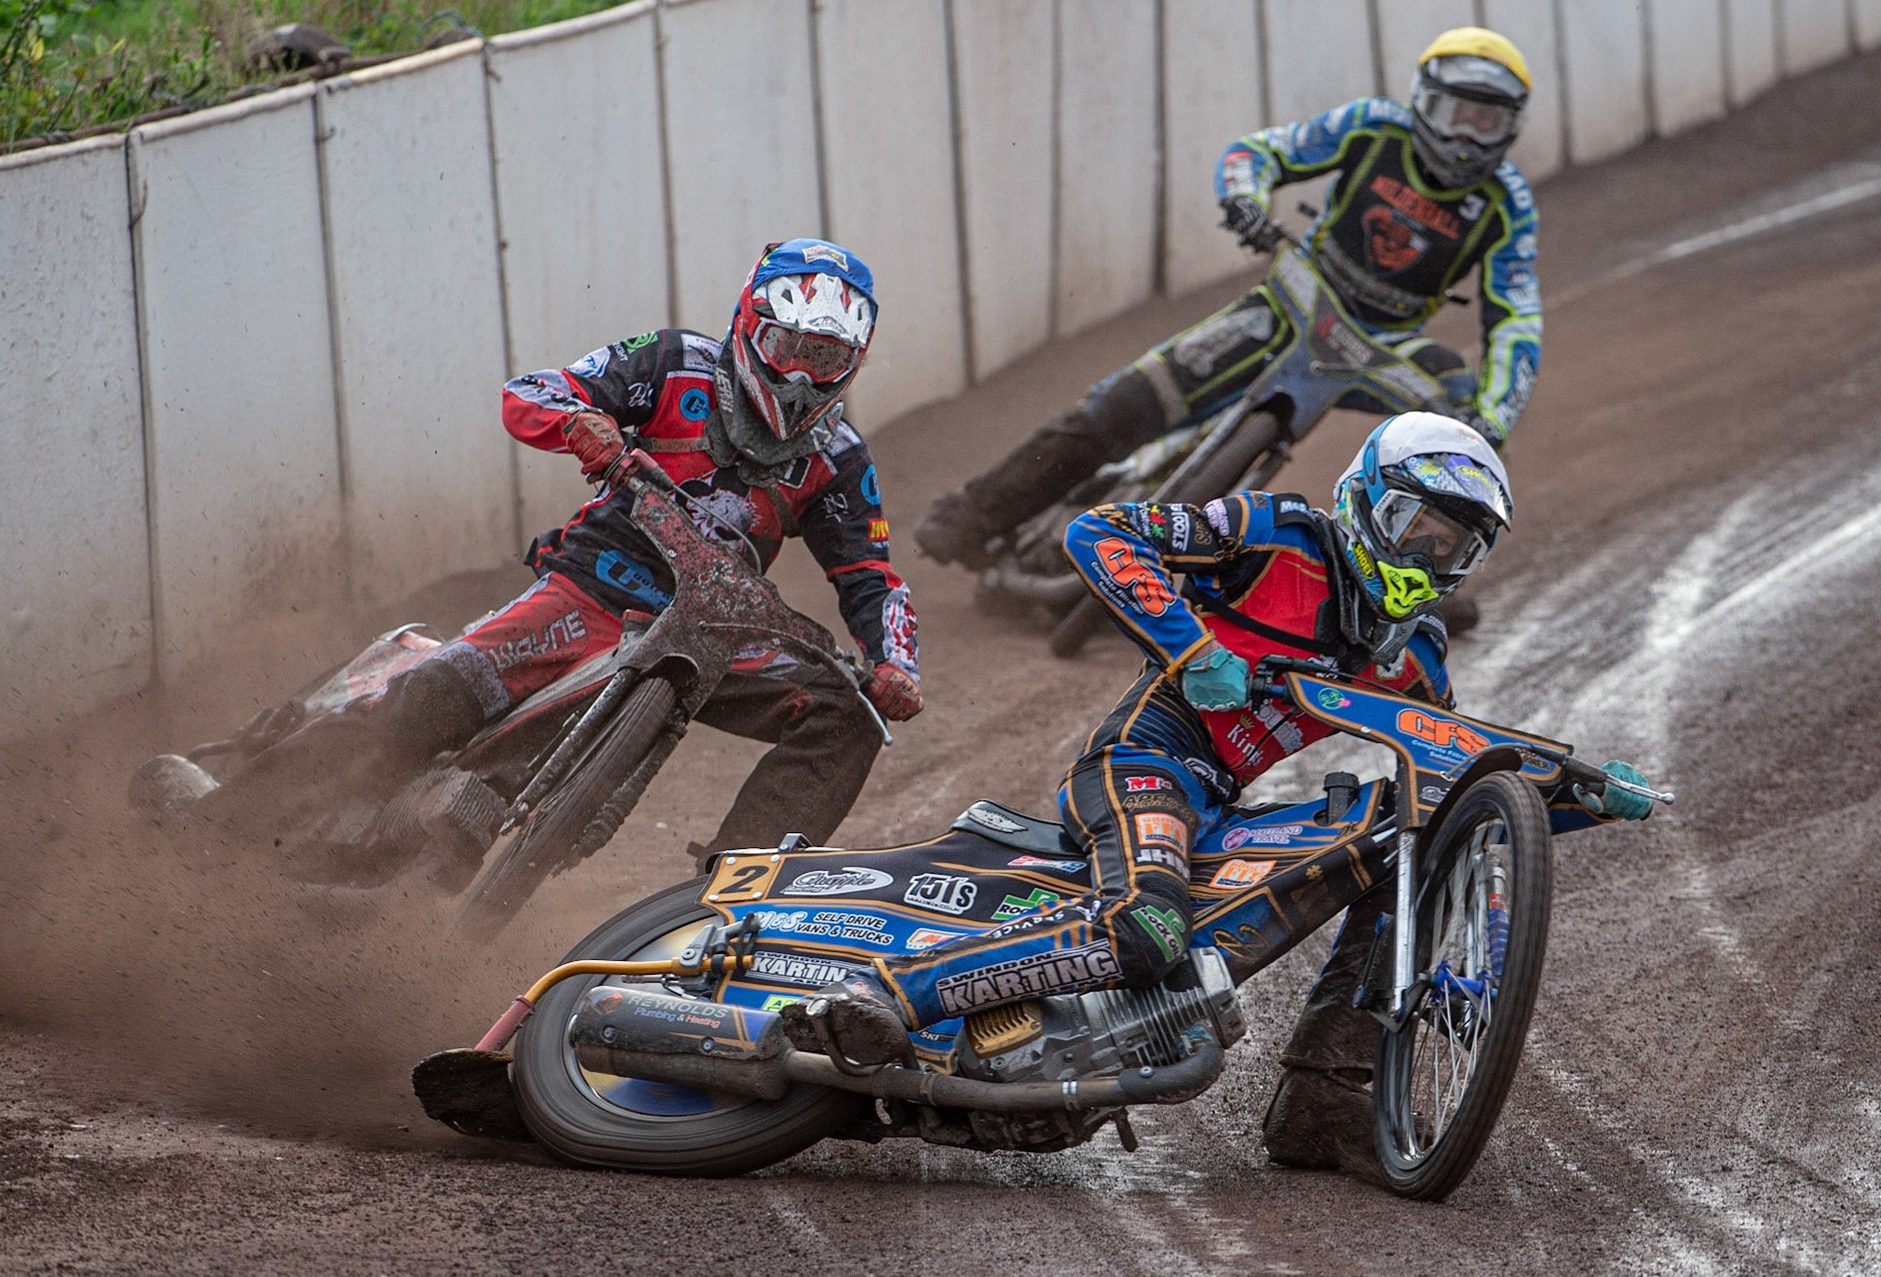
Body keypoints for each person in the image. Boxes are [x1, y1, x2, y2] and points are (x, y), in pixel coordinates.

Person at [783, 413, 1651, 1179]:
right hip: (1142, 762)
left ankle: (1325, 1099)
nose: (1426, 556)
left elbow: (1458, 782)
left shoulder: (1415, 650)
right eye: (1415, 527)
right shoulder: (1275, 533)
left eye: (1452, 546)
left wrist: (1583, 796)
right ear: (1365, 499)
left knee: (1404, 830)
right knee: (1146, 927)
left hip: (1221, 804)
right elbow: (1102, 533)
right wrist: (1192, 649)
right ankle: (892, 998)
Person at [156, 238, 920, 871]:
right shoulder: (673, 362)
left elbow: (872, 578)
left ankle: (727, 898)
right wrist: (585, 425)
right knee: (434, 698)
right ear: (752, 325)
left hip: (717, 635)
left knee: (847, 714)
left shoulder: (838, 457)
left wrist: (893, 663)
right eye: (787, 346)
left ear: (853, 359)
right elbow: (532, 391)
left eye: (822, 356)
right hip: (593, 591)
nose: (797, 375)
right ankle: (212, 834)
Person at [914, 27, 1543, 584]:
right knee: (1128, 400)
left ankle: (1417, 589)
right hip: (1296, 298)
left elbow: (1517, 316)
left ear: (1510, 127)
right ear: (1421, 100)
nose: (1464, 136)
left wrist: (1493, 418)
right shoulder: (1371, 125)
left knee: (1462, 442)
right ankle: (972, 515)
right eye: (1453, 113)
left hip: (1389, 343)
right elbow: (1263, 150)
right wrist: (1244, 199)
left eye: (1484, 122)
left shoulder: (1508, 204)